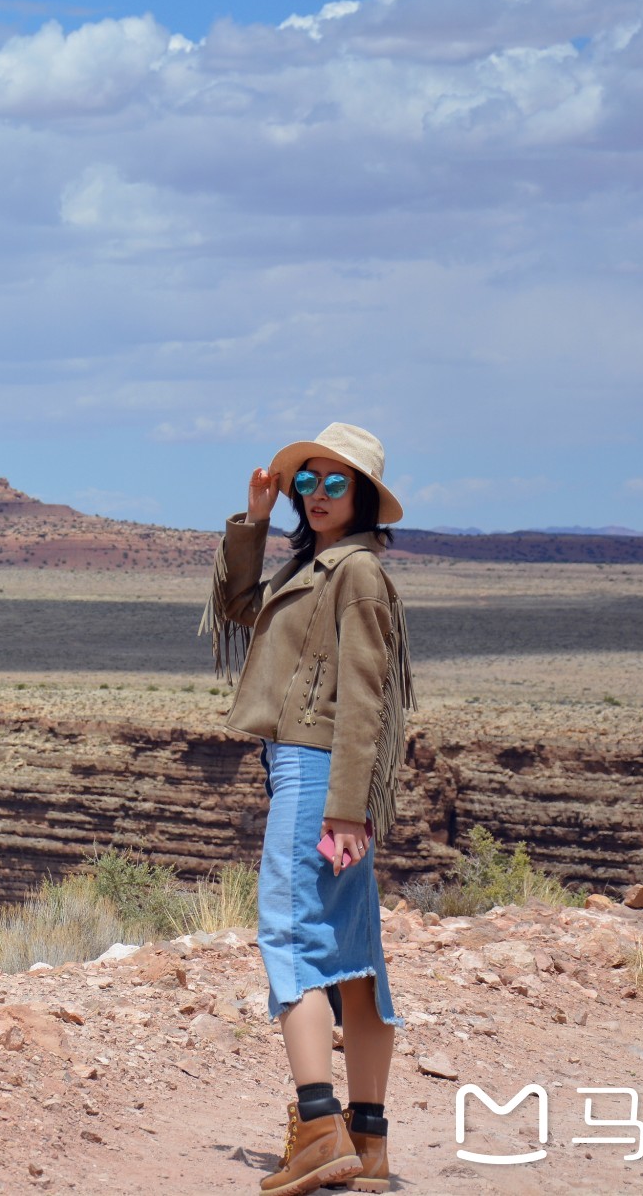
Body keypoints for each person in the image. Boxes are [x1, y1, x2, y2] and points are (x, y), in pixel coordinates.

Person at [200, 422, 414, 1196]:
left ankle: (318, 1128)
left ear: (361, 497)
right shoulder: (317, 565)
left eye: (335, 483)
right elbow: (236, 607)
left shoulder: (354, 574)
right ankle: (368, 1140)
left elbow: (366, 696)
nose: (318, 495)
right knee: (353, 957)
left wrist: (348, 808)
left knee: (292, 938)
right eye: (308, 483)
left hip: (318, 772)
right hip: (327, 774)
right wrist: (255, 522)